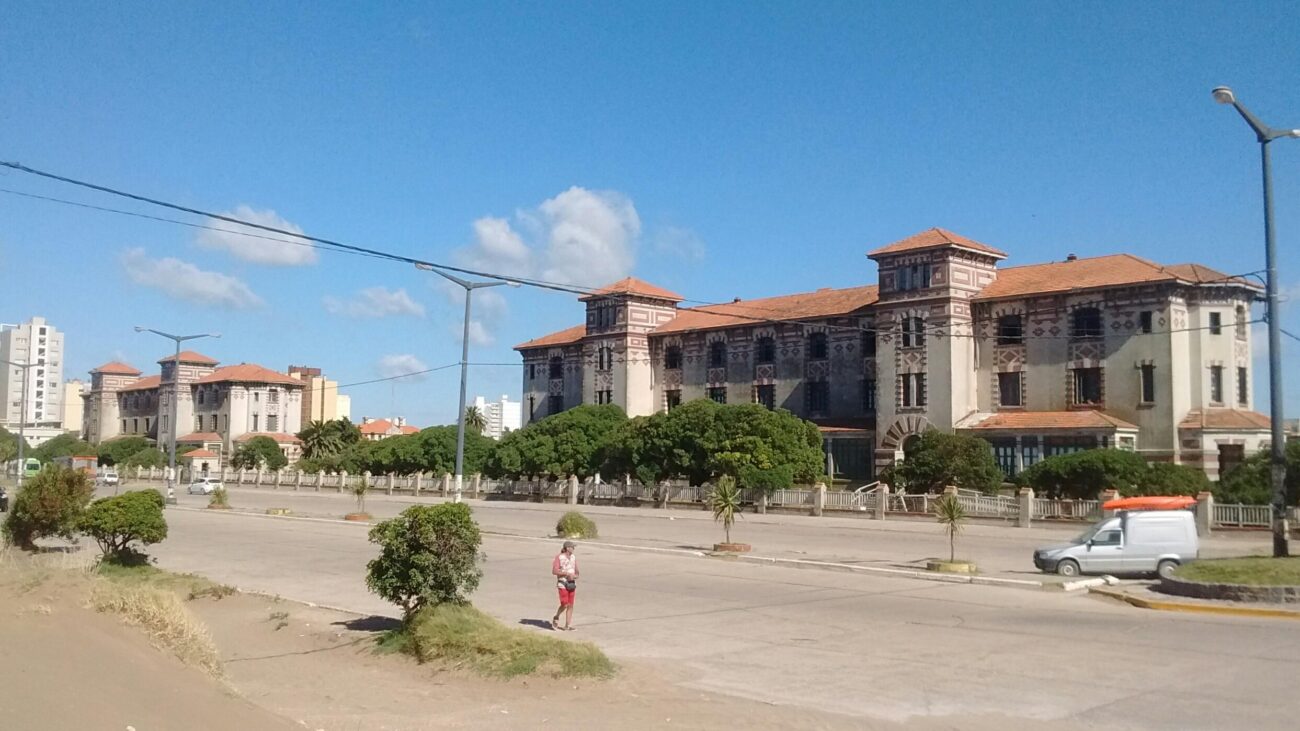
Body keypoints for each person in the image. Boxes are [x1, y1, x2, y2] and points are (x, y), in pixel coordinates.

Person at [551, 540, 579, 630]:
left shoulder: (573, 557)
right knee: (564, 604)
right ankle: (556, 616)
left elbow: (577, 572)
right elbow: (554, 571)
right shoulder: (559, 557)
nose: (573, 549)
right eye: (572, 547)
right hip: (562, 583)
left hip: (571, 583)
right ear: (567, 548)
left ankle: (568, 625)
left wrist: (574, 576)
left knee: (570, 604)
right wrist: (566, 574)